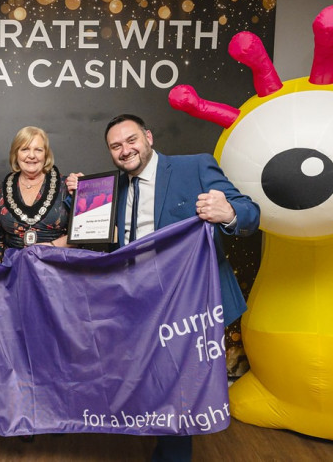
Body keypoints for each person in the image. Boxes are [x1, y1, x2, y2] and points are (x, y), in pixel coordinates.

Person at [67, 113, 259, 462]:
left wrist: (227, 211)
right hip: (139, 304)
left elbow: (251, 214)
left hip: (192, 303)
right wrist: (78, 197)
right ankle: (162, 441)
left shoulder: (195, 166)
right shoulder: (110, 186)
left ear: (149, 137)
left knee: (180, 387)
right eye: (116, 146)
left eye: (131, 140)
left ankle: (173, 455)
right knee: (152, 382)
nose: (125, 150)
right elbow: (93, 236)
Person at [0, 126, 72, 262]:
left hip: (57, 268)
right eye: (24, 149)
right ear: (16, 154)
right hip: (15, 271)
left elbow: (80, 235)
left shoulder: (67, 185)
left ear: (46, 154)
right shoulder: (3, 188)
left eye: (38, 150)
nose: (31, 155)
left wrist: (51, 246)